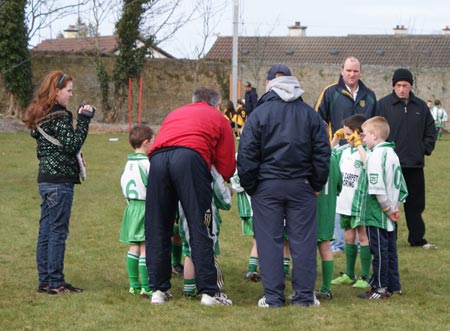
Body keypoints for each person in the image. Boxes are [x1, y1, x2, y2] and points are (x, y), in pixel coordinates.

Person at [238, 64, 331, 308]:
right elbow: (322, 152)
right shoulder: (310, 114)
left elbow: (246, 154)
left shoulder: (259, 114)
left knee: (269, 242)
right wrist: (316, 183)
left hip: (267, 186)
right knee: (303, 242)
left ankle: (273, 297)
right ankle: (303, 296)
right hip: (301, 185)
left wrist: (251, 186)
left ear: (269, 84)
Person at [145, 87, 235, 306]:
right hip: (190, 158)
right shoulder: (219, 117)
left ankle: (158, 289)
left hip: (157, 160)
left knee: (158, 225)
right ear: (216, 103)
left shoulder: (176, 112)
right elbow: (227, 164)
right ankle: (208, 292)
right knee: (200, 224)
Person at [24, 71, 95, 294]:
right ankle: (55, 282)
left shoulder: (41, 115)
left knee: (45, 231)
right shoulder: (60, 116)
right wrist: (83, 120)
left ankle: (45, 280)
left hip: (45, 180)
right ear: (56, 92)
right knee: (57, 232)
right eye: (68, 91)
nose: (71, 95)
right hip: (59, 182)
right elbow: (72, 144)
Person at [315, 56, 377, 254]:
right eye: (348, 70)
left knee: (361, 195)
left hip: (363, 152)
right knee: (339, 195)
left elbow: (375, 123)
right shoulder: (330, 92)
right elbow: (317, 120)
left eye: (355, 71)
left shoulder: (369, 95)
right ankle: (338, 242)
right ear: (342, 70)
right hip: (339, 152)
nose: (352, 74)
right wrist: (327, 144)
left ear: (360, 72)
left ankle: (361, 241)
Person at [377, 68, 437, 249]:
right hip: (391, 166)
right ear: (393, 86)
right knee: (390, 203)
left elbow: (430, 132)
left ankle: (417, 239)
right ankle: (389, 238)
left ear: (410, 86)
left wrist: (423, 149)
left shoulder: (420, 107)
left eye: (405, 85)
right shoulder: (383, 105)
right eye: (398, 85)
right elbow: (376, 132)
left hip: (415, 165)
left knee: (416, 205)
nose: (402, 89)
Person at [358, 116, 408, 299]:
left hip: (378, 213)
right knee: (390, 251)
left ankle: (380, 288)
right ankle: (395, 286)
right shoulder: (392, 153)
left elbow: (377, 186)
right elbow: (401, 185)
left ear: (375, 135)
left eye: (365, 135)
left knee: (379, 252)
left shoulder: (375, 156)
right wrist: (396, 208)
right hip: (392, 211)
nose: (362, 139)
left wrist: (387, 209)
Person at [330, 115, 372, 290]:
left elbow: (367, 163)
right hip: (344, 202)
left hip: (359, 203)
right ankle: (349, 273)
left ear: (359, 134)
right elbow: (326, 155)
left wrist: (360, 144)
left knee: (362, 236)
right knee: (348, 235)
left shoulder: (367, 152)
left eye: (349, 134)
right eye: (345, 134)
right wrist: (335, 139)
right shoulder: (344, 150)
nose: (347, 138)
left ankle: (365, 276)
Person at [179, 165, 232, 297]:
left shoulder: (182, 164)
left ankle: (189, 289)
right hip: (206, 210)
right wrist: (228, 195)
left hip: (183, 210)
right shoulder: (209, 165)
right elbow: (220, 192)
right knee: (208, 247)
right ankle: (212, 289)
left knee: (189, 250)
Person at [119, 125, 154, 298]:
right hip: (144, 207)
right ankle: (146, 286)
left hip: (131, 207)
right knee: (145, 247)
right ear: (146, 143)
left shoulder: (129, 163)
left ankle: (134, 285)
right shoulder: (147, 164)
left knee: (133, 247)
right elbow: (154, 187)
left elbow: (123, 185)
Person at [314, 147, 342, 300]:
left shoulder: (309, 156)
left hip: (310, 210)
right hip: (328, 210)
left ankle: (305, 288)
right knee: (325, 248)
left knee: (307, 250)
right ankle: (326, 287)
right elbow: (339, 184)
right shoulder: (332, 158)